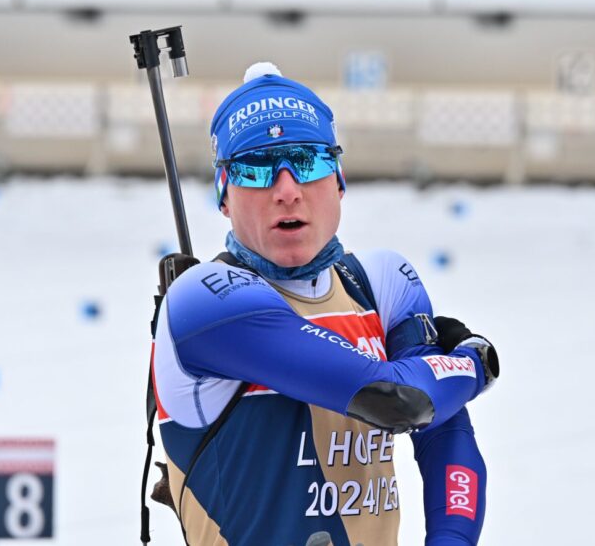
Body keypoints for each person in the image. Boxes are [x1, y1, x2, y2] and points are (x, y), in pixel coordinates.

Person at [151, 63, 499, 546]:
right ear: (224, 195)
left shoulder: (382, 283)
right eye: (256, 168)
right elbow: (398, 399)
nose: (287, 190)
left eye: (309, 162)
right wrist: (475, 361)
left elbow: (443, 434)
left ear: (339, 181)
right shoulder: (206, 301)